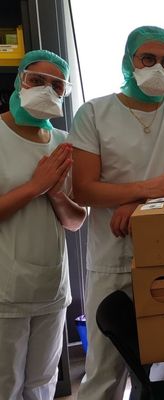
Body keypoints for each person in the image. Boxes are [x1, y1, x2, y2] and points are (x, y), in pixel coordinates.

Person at [70, 26, 164, 400]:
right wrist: (146, 189)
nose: (158, 67)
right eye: (148, 58)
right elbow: (83, 188)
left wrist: (141, 205)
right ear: (128, 61)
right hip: (113, 256)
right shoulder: (94, 112)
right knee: (105, 371)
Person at [0, 50, 86, 399]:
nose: (46, 89)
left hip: (51, 287)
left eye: (56, 85)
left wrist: (54, 193)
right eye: (36, 80)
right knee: (6, 384)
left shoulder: (63, 142)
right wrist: (35, 187)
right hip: (6, 292)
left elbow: (76, 220)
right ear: (19, 80)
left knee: (42, 383)